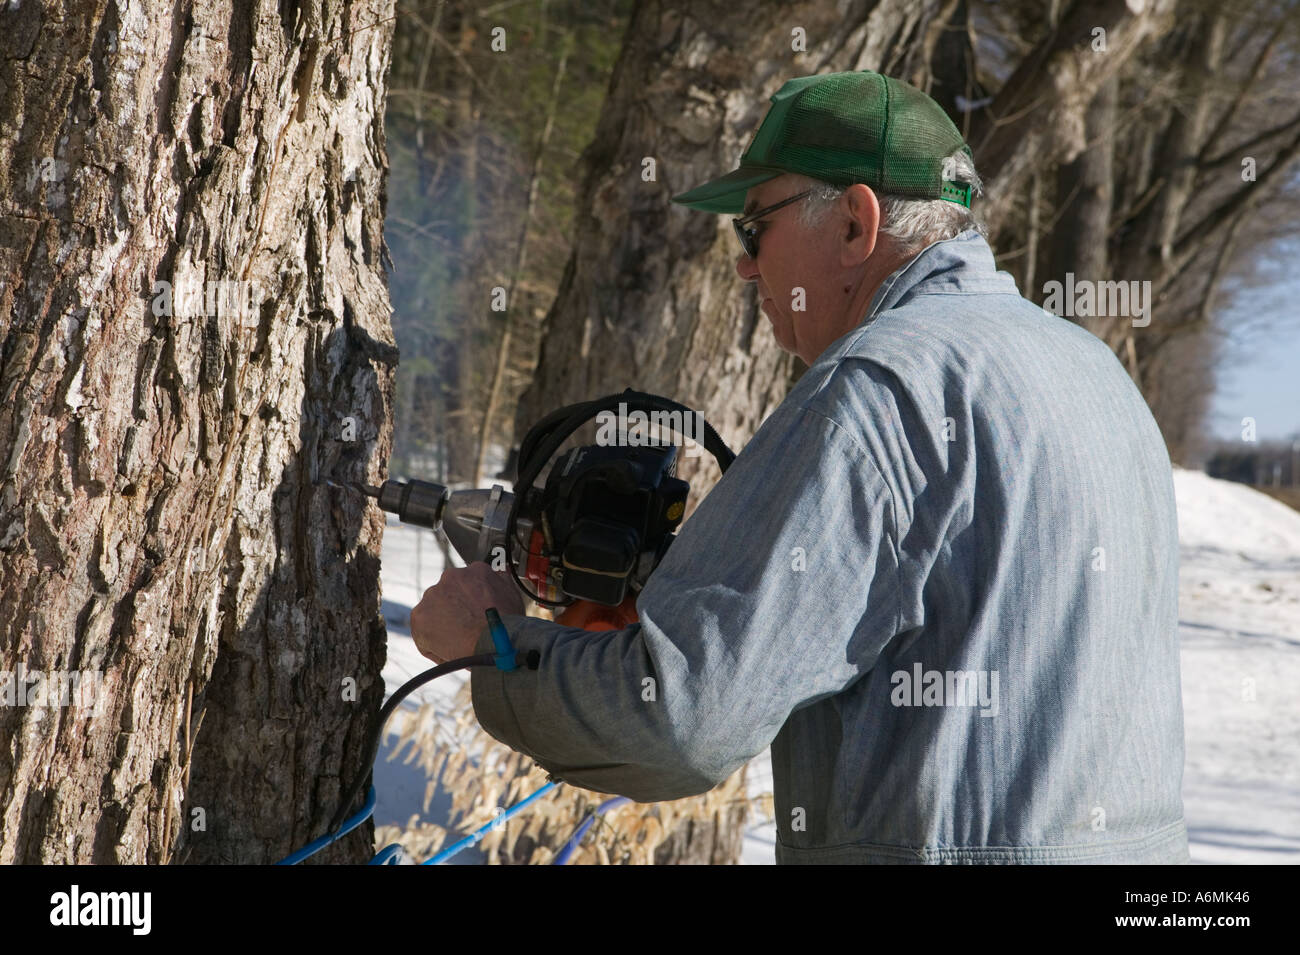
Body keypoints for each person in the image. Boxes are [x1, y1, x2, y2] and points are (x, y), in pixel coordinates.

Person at [410, 70, 1190, 864]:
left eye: (754, 229)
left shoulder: (873, 389)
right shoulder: (1095, 373)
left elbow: (682, 720)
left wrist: (493, 641)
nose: (746, 267)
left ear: (855, 223)